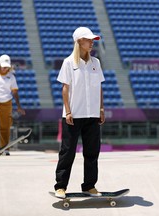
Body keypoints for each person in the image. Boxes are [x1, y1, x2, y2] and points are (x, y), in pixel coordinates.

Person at [54, 27, 105, 198]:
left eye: (92, 40)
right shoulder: (69, 62)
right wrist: (68, 111)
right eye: (88, 40)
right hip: (73, 116)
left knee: (92, 152)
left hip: (92, 115)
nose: (92, 42)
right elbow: (64, 89)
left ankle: (89, 186)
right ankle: (60, 186)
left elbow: (99, 88)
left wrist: (101, 109)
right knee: (67, 152)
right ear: (79, 41)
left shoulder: (96, 63)